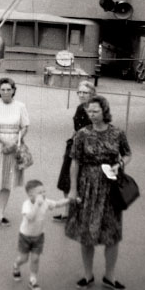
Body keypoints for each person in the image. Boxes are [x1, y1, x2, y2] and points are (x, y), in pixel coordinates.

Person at [65, 95, 132, 290]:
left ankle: (110, 276)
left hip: (111, 188)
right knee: (87, 233)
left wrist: (120, 164)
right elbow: (75, 162)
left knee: (112, 233)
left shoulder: (117, 133)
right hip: (88, 187)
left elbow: (127, 154)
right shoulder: (82, 134)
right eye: (89, 111)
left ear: (105, 111)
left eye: (95, 111)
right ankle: (88, 275)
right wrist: (73, 189)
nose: (92, 115)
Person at [0, 77, 30, 226]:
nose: (6, 92)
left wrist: (15, 141)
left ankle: (0, 213)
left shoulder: (21, 106)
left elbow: (25, 126)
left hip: (13, 147)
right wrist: (4, 141)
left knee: (7, 182)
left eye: (9, 89)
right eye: (3, 89)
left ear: (14, 90)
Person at [12, 179, 70, 290]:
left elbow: (58, 204)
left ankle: (33, 280)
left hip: (38, 236)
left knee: (35, 258)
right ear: (30, 195)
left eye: (44, 192)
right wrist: (37, 205)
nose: (43, 194)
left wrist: (69, 200)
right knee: (23, 258)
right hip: (25, 236)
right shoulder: (26, 205)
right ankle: (16, 265)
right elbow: (30, 217)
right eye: (40, 193)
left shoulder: (46, 202)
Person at [52, 80, 96, 223]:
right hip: (73, 147)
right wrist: (70, 140)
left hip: (86, 151)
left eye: (85, 93)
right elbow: (76, 127)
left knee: (81, 182)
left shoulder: (95, 111)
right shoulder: (79, 108)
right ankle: (67, 213)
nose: (82, 95)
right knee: (66, 179)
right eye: (80, 92)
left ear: (92, 94)